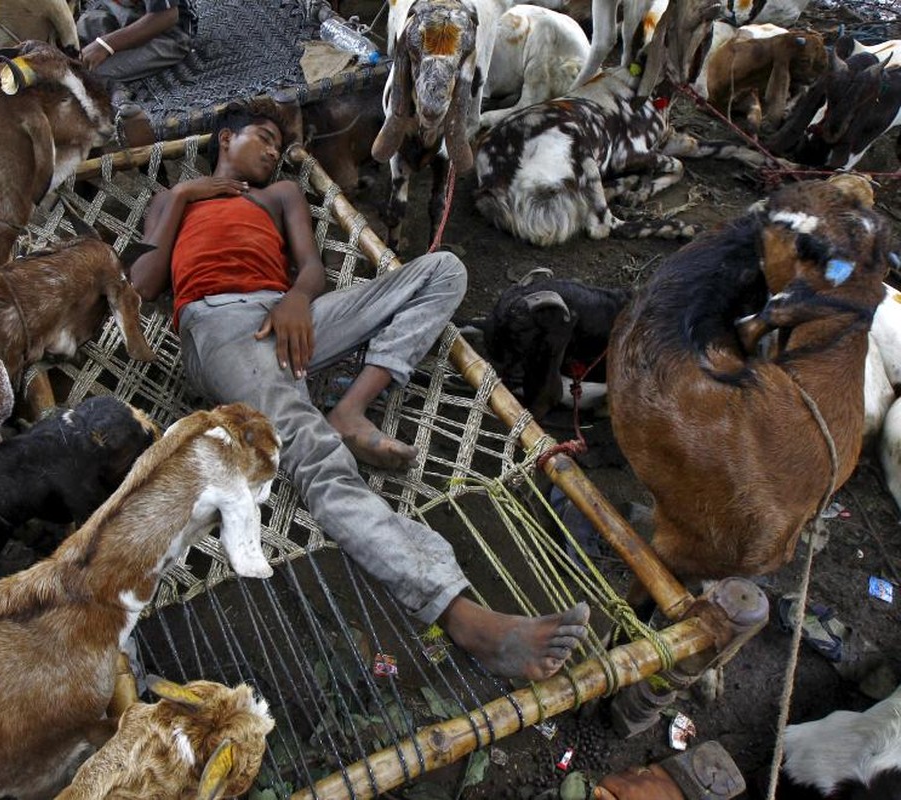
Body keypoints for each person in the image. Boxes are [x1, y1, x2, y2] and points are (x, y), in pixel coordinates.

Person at [130, 109, 592, 682]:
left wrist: (296, 297)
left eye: (281, 146)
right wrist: (182, 195)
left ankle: (352, 407)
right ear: (226, 138)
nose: (275, 153)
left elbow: (311, 269)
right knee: (316, 455)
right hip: (221, 328)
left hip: (289, 315)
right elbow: (141, 288)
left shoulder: (279, 194)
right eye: (266, 139)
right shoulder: (174, 200)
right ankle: (461, 615)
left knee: (443, 270)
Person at [77, 0, 195, 102]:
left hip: (167, 34)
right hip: (129, 17)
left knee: (93, 71)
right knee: (86, 23)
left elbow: (168, 16)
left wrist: (105, 45)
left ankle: (120, 96)